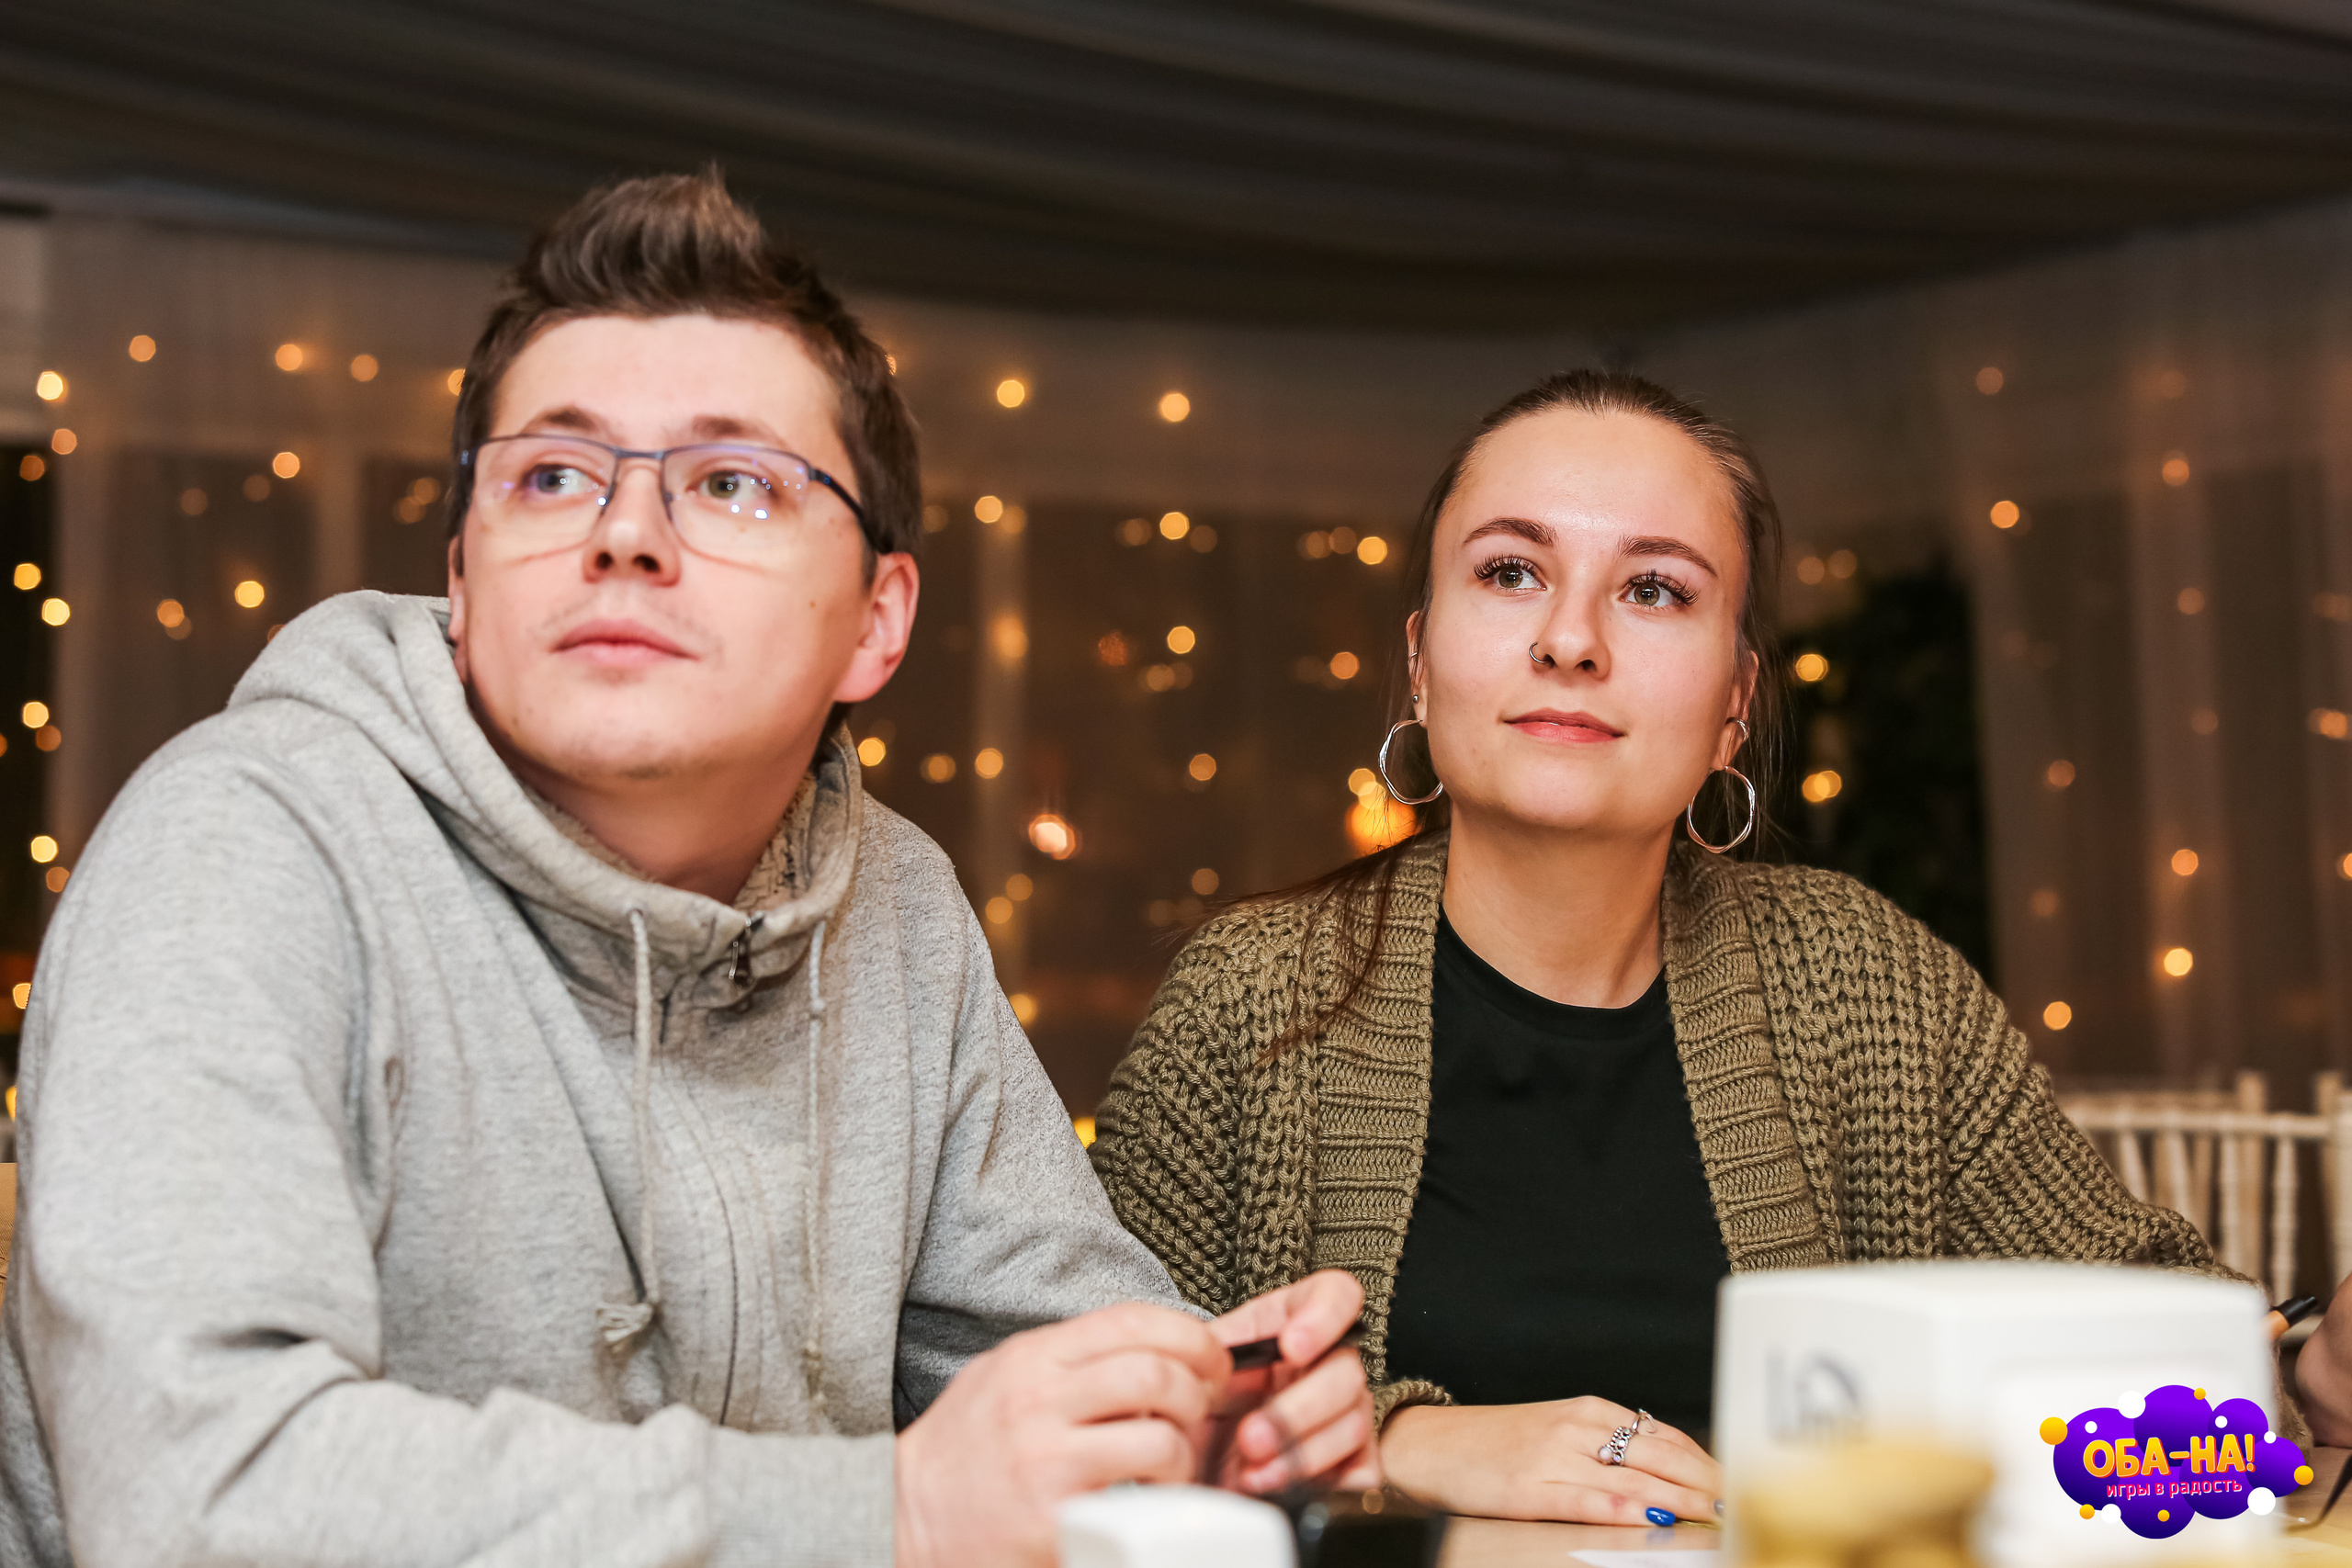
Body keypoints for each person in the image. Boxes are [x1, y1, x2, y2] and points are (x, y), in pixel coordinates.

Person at [0, 173, 1373, 1568]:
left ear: (876, 625)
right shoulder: (245, 842)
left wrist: (1204, 1420)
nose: (626, 533)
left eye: (732, 483)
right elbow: (195, 1498)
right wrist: (885, 1511)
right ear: (464, 578)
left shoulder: (891, 902)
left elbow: (1039, 1377)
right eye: (551, 474)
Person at [1088, 368, 2308, 1528]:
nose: (1571, 640)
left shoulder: (1874, 991)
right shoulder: (1251, 999)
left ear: (1734, 703)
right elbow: (1086, 1428)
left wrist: (2305, 1383)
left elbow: (2174, 1402)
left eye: (1655, 589)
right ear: (1419, 659)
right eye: (1511, 571)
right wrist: (1390, 1449)